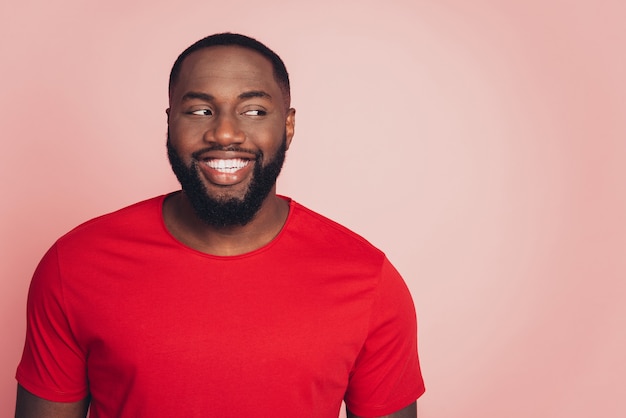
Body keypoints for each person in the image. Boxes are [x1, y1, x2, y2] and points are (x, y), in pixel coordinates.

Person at [15, 33, 425, 418]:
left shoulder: (369, 282)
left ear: (288, 125)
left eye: (253, 111)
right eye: (199, 110)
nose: (225, 132)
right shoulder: (74, 265)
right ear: (170, 122)